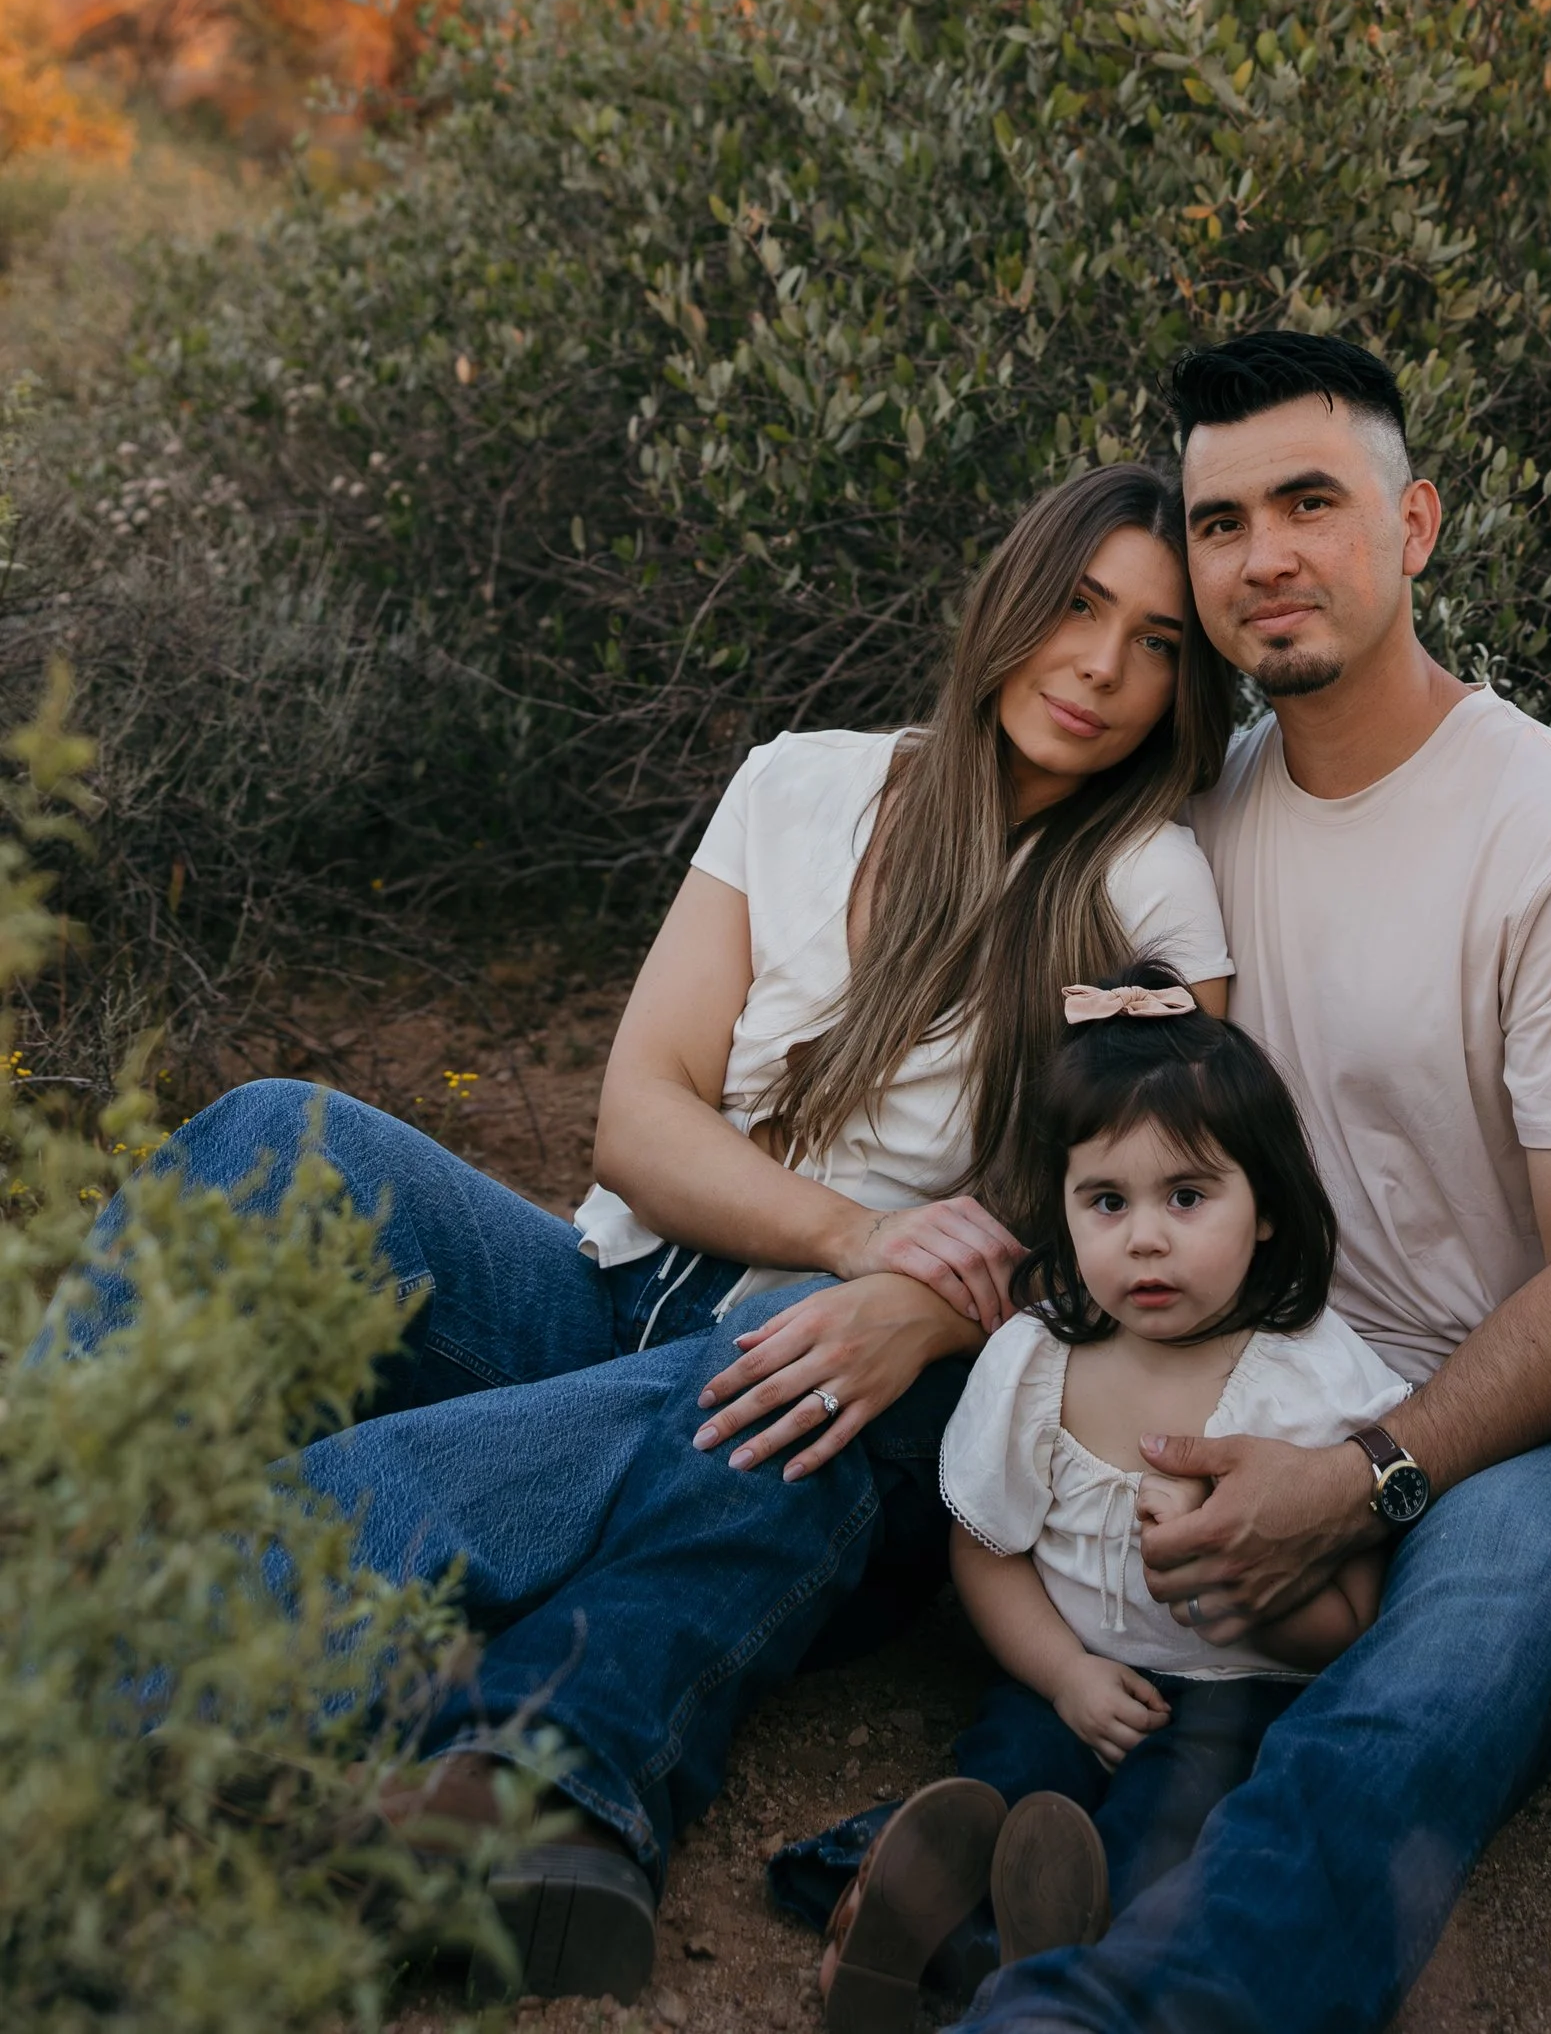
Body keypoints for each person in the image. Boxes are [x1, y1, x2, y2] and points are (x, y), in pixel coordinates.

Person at [94, 462, 1236, 2003]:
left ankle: (166, 1668)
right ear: (1010, 598)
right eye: (1080, 605)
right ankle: (65, 1509)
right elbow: (640, 1118)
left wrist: (926, 1309)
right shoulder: (802, 781)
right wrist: (864, 1242)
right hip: (614, 1283)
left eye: (1159, 643)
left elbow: (1151, 1195)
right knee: (279, 1136)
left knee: (789, 1383)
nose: (1102, 665)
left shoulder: (1144, 876)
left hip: (862, 1393)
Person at [956, 326, 1551, 2034]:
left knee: (1406, 1700)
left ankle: (1121, 2014)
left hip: (1544, 1432)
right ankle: (951, 1897)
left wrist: (1363, 1473)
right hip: (1244, 1363)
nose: (1264, 557)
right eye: (1221, 521)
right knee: (1076, 1589)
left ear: (1414, 523)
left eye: (1311, 502)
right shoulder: (1193, 828)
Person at [818, 971, 1407, 2033]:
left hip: (1233, 1703)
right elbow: (987, 1550)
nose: (1144, 1238)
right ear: (1063, 1209)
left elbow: (1353, 1623)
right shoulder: (1037, 1361)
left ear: (1266, 1209)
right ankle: (914, 1907)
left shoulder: (1315, 1384)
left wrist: (1236, 1589)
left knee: (1162, 1834)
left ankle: (1021, 1948)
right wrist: (1066, 1674)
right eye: (1107, 1202)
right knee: (1007, 1774)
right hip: (1072, 1678)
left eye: (1187, 1197)